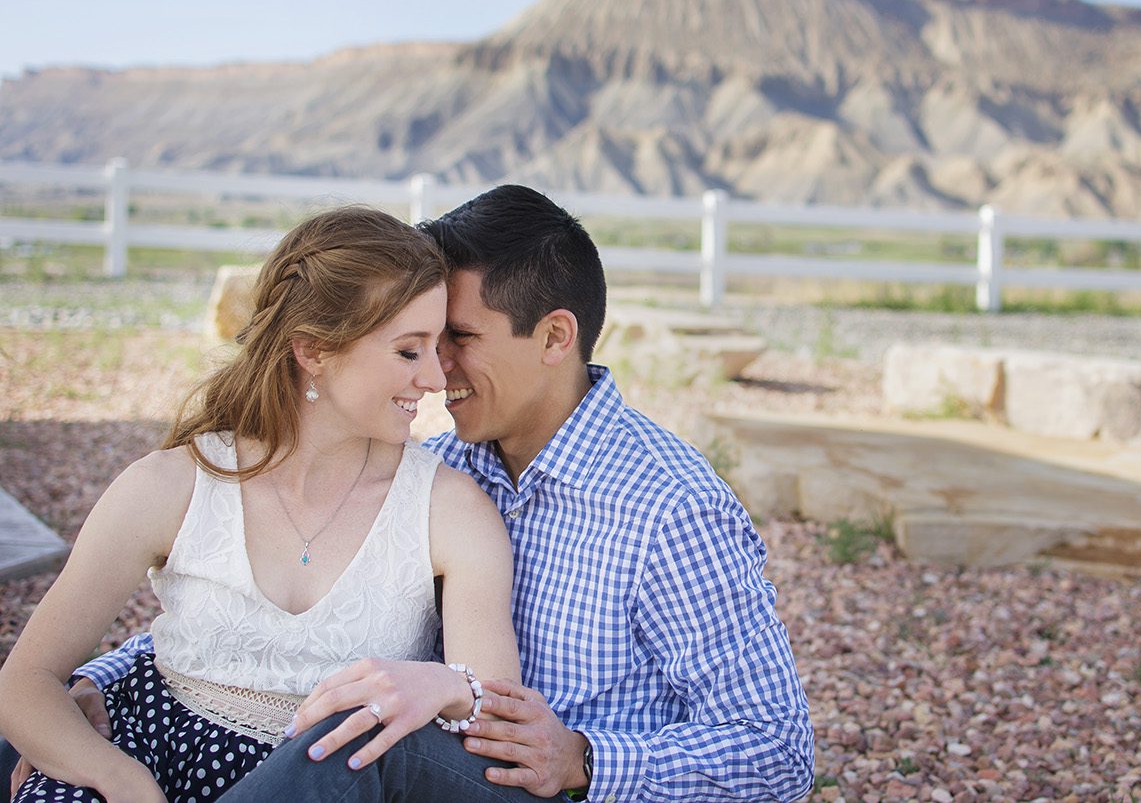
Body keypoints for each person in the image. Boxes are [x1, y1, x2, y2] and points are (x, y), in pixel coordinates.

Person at [11, 185, 815, 801]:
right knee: (37, 737)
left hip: (537, 784)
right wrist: (108, 679)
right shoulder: (445, 462)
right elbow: (264, 621)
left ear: (555, 338)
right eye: (417, 345)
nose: (437, 376)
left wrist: (584, 757)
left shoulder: (669, 507)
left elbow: (778, 752)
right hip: (395, 759)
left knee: (363, 737)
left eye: (457, 340)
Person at [0, 206, 522, 802]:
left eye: (438, 346)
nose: (434, 377)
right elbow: (25, 680)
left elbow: (497, 711)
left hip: (329, 781)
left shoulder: (449, 510)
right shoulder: (174, 484)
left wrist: (448, 684)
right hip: (147, 755)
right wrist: (119, 779)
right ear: (313, 350)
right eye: (409, 351)